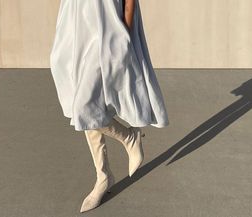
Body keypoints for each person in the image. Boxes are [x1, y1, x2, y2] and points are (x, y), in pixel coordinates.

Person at [50, 0, 169, 212]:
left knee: (83, 108)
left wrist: (125, 34)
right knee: (87, 103)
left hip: (109, 33)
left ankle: (129, 138)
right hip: (79, 26)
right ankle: (103, 176)